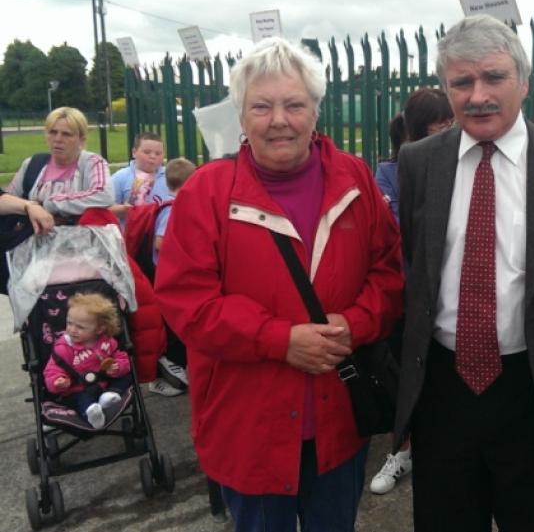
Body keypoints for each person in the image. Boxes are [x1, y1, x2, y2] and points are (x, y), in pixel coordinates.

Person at [154, 37, 404, 532]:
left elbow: (389, 272)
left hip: (339, 421)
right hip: (249, 427)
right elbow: (188, 302)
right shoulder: (206, 192)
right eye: (261, 106)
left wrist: (355, 324)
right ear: (241, 116)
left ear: (315, 111)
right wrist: (280, 340)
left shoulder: (353, 178)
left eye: (294, 104)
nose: (279, 120)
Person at [394, 14, 534, 531]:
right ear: (446, 88)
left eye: (494, 78)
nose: (478, 95)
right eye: (462, 82)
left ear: (524, 81)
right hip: (443, 390)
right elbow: (416, 261)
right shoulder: (418, 162)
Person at [369, 87, 454, 496]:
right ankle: (401, 448)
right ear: (418, 131)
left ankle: (438, 445)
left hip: (453, 296)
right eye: (441, 127)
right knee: (404, 376)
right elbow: (393, 235)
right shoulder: (391, 173)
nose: (450, 133)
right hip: (408, 295)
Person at [6, 107, 113, 221]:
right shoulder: (32, 164)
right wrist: (29, 207)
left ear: (81, 139)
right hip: (32, 236)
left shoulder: (93, 163)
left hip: (80, 236)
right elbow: (6, 200)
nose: (58, 139)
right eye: (53, 132)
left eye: (66, 134)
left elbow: (104, 195)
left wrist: (53, 202)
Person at [43, 292, 132, 429]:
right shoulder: (64, 348)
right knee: (81, 399)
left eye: (80, 327)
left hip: (105, 383)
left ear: (100, 329)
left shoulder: (107, 342)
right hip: (77, 388)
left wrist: (117, 367)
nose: (72, 330)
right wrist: (58, 380)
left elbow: (121, 358)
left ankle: (110, 395)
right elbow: (52, 369)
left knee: (128, 373)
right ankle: (92, 413)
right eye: (69, 323)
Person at [148, 157, 196, 397]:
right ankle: (176, 367)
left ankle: (181, 365)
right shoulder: (174, 207)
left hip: (173, 272)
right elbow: (160, 241)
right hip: (169, 273)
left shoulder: (173, 203)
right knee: (174, 323)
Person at [374, 88, 454, 222]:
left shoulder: (459, 163)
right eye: (442, 125)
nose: (449, 130)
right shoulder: (388, 173)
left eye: (452, 123)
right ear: (419, 126)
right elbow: (392, 223)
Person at [110, 132, 170, 223]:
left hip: (161, 233)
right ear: (134, 152)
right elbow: (106, 209)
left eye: (158, 153)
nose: (152, 156)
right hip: (131, 233)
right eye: (147, 152)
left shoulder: (169, 176)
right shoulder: (120, 177)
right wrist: (124, 209)